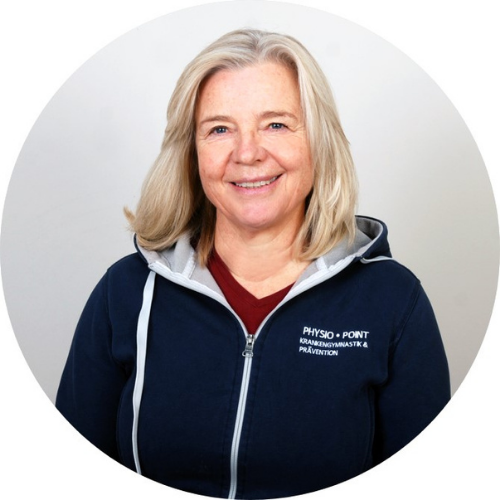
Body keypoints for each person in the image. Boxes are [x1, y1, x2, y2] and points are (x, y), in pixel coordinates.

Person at [56, 29, 450, 499]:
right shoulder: (125, 294)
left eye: (276, 125)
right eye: (220, 129)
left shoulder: (393, 303)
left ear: (318, 142)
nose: (247, 153)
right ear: (192, 153)